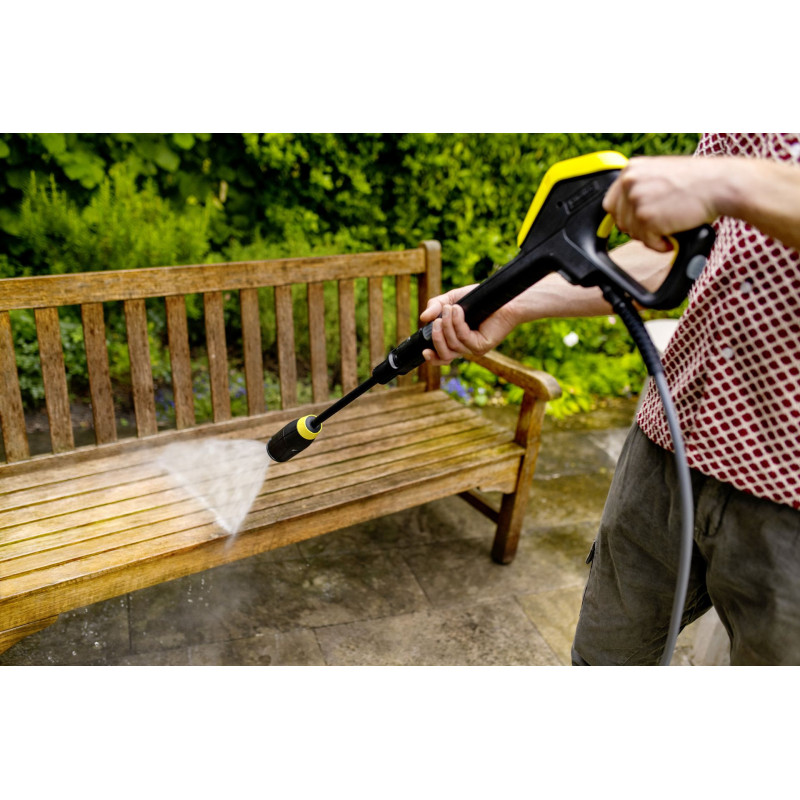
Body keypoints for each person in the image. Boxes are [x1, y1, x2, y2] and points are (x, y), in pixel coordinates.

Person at [420, 133, 800, 666]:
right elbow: (670, 252)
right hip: (669, 445)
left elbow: (718, 191)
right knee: (603, 659)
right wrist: (513, 301)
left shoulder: (730, 177)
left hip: (787, 489)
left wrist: (728, 181)